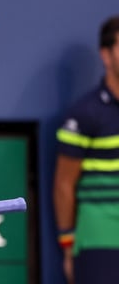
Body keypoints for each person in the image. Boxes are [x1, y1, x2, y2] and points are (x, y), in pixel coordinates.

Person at [53, 16, 119, 284]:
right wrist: (68, 244)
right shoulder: (84, 114)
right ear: (106, 54)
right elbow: (64, 184)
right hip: (99, 243)